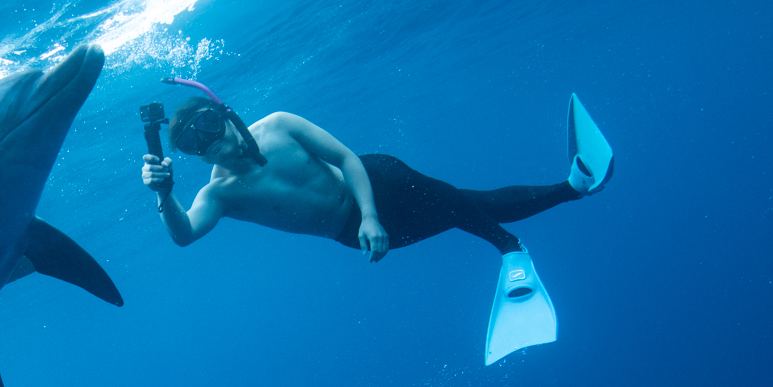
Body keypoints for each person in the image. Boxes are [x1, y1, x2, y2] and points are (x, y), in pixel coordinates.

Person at [139, 79, 613, 362]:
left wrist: (369, 215)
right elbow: (185, 235)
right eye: (191, 145)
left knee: (461, 210)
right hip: (355, 234)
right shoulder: (218, 193)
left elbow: (345, 158)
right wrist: (164, 195)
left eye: (207, 127)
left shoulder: (279, 125)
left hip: (376, 183)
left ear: (223, 113)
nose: (208, 143)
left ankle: (509, 248)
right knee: (470, 205)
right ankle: (573, 187)